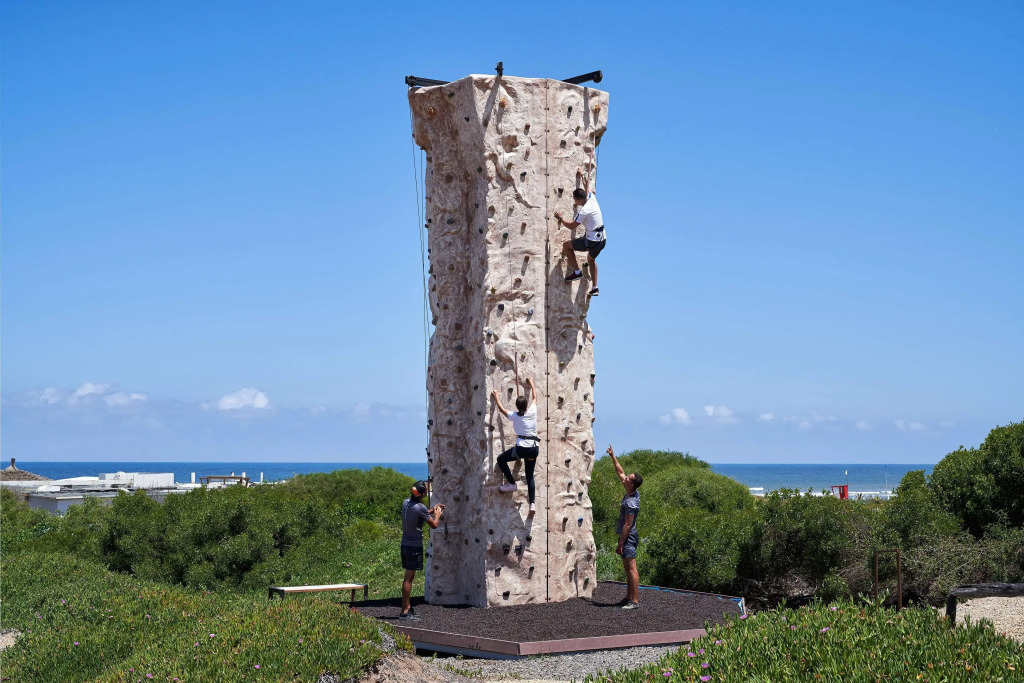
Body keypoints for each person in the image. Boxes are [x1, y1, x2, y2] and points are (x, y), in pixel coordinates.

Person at [490, 377, 540, 514]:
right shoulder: (532, 411)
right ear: (526, 405)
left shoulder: (515, 416)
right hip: (534, 448)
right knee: (530, 476)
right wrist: (532, 384)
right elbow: (535, 397)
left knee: (501, 459)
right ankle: (532, 504)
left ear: (517, 407)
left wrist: (496, 396)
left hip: (522, 449)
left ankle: (512, 483)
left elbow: (502, 409)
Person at [555, 167, 605, 297]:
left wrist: (560, 219)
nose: (574, 201)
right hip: (602, 239)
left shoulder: (584, 211)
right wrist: (582, 175)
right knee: (591, 259)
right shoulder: (592, 198)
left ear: (577, 200)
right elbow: (587, 187)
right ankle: (595, 287)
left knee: (566, 245)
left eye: (574, 199)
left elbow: (572, 226)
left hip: (591, 241)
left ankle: (577, 272)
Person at [399, 480, 444, 621]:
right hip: (413, 547)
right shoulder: (420, 508)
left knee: (408, 577)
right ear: (422, 494)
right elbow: (434, 524)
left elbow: (420, 512)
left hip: (405, 544)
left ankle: (407, 607)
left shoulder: (406, 502)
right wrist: (438, 514)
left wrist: (431, 510)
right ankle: (405, 611)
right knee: (408, 579)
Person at [607, 445, 642, 609]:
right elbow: (620, 472)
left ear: (632, 484)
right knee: (627, 568)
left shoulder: (631, 502)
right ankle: (628, 597)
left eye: (629, 478)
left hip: (628, 536)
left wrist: (621, 543)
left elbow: (628, 525)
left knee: (632, 568)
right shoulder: (630, 492)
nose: (625, 477)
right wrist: (613, 457)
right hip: (625, 536)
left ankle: (634, 601)